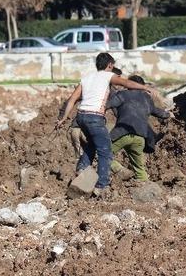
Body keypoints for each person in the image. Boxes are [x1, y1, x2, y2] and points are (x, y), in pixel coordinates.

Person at [56, 53, 151, 195]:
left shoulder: (86, 78)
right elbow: (127, 83)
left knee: (92, 145)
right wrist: (144, 88)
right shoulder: (108, 75)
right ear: (110, 65)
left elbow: (72, 99)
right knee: (105, 151)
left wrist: (63, 117)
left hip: (81, 116)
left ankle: (82, 168)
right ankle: (102, 186)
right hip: (95, 117)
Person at [106, 75, 171, 181]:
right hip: (140, 137)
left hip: (122, 133)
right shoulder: (147, 98)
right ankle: (145, 185)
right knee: (139, 168)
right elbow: (157, 112)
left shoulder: (122, 95)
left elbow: (107, 105)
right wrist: (168, 114)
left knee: (102, 153)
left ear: (129, 84)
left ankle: (120, 170)